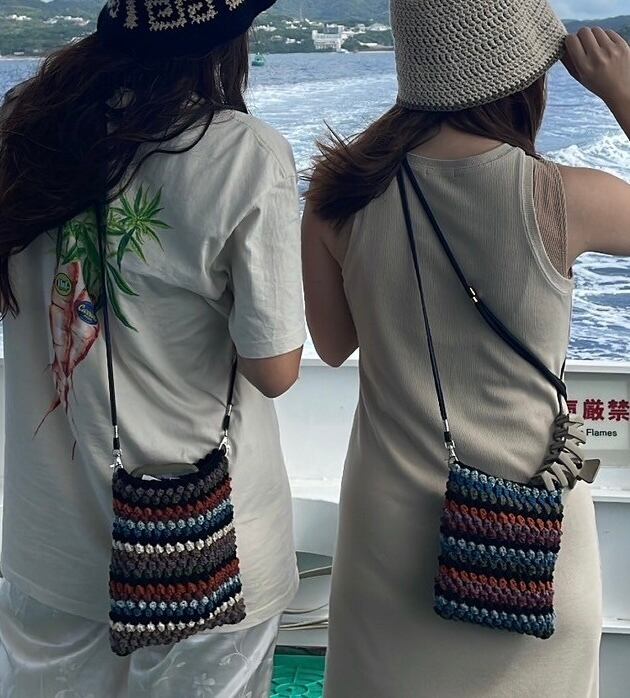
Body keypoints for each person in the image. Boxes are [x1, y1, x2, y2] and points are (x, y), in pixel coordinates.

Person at [302, 0, 630, 694]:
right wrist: (622, 92)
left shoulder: (339, 194)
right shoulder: (563, 196)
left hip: (388, 542)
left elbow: (330, 345)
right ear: (525, 80)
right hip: (534, 539)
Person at [0, 1, 305, 696]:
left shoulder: (24, 129)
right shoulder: (244, 153)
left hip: (50, 545)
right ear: (225, 40)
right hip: (206, 547)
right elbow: (275, 369)